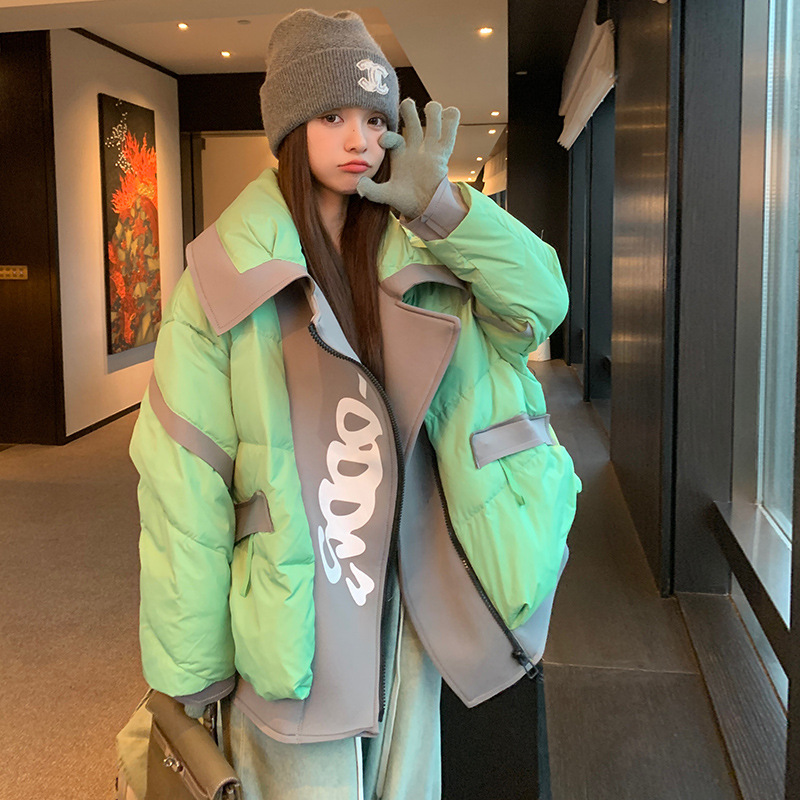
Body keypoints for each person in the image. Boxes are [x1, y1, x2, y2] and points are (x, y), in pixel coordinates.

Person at [128, 8, 581, 800]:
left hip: (411, 596)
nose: (358, 140)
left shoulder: (427, 242)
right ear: (289, 128)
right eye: (332, 117)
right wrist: (191, 671)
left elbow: (541, 305)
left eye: (374, 119)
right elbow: (184, 485)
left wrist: (441, 205)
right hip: (298, 605)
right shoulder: (222, 278)